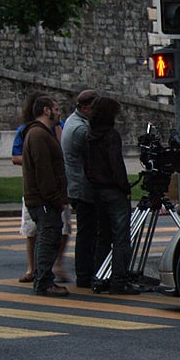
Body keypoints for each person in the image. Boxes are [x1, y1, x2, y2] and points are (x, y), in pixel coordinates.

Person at [14, 92, 72, 284]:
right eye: (56, 109)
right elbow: (44, 169)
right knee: (43, 236)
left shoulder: (49, 130)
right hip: (44, 198)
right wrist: (55, 199)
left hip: (46, 196)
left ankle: (46, 275)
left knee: (55, 233)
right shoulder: (37, 134)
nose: (59, 113)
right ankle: (42, 278)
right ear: (46, 111)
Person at [86, 97, 139, 295]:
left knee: (103, 236)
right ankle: (119, 279)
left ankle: (100, 277)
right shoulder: (111, 135)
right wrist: (124, 187)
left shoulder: (90, 135)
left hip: (97, 190)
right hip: (113, 190)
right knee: (121, 236)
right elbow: (116, 164)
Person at [62, 89, 111, 288]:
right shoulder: (81, 130)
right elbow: (95, 156)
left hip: (78, 185)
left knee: (87, 232)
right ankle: (85, 274)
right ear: (85, 108)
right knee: (88, 233)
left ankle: (86, 273)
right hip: (83, 187)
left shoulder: (74, 122)